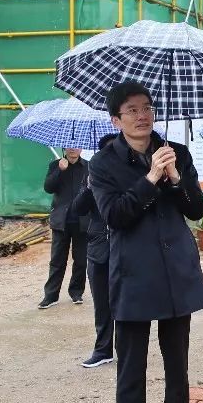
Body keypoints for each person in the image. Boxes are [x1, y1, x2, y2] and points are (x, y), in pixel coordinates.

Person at [89, 82, 203, 403]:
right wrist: (150, 178)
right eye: (131, 110)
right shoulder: (103, 164)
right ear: (116, 119)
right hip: (133, 275)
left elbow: (196, 210)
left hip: (175, 271)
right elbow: (115, 216)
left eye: (147, 107)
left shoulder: (176, 153)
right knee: (131, 368)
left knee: (177, 365)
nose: (142, 116)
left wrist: (175, 175)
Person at [72, 133, 116, 369]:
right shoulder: (90, 176)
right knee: (102, 303)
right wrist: (88, 188)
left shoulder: (131, 176)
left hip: (125, 248)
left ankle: (129, 350)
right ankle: (103, 350)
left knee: (127, 302)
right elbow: (78, 209)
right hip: (98, 247)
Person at [39, 147, 88, 309]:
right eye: (69, 146)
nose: (73, 149)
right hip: (61, 221)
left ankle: (76, 292)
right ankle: (51, 296)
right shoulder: (55, 165)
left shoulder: (88, 167)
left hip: (82, 221)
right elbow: (48, 188)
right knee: (57, 260)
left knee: (80, 260)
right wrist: (59, 170)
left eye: (76, 146)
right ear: (64, 148)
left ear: (81, 148)